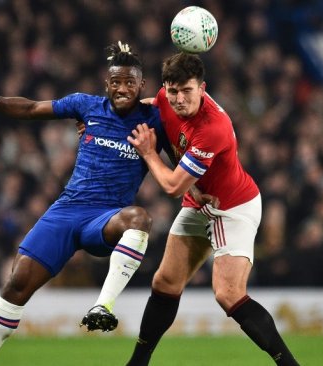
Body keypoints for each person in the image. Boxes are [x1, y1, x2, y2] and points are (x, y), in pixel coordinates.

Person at [0, 42, 168, 366]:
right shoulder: (85, 106)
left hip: (107, 218)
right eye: (116, 82)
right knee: (17, 283)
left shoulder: (155, 121)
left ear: (142, 85)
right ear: (106, 84)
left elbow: (183, 159)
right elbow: (31, 109)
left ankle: (103, 306)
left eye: (130, 82)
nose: (122, 88)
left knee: (139, 219)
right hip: (68, 210)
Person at [125, 52, 300, 365]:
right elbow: (145, 109)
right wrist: (98, 126)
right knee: (165, 283)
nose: (178, 99)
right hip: (199, 200)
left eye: (187, 91)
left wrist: (149, 153)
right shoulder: (166, 97)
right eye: (173, 90)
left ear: (202, 88)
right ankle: (137, 363)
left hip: (233, 207)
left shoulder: (212, 128)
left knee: (228, 293)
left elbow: (171, 186)